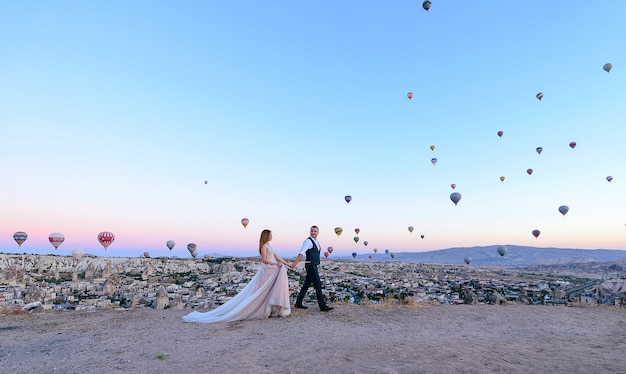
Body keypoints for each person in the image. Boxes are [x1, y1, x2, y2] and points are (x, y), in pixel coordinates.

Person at [182, 229, 292, 323]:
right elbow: (264, 260)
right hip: (268, 269)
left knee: (270, 288)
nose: (272, 236)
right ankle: (266, 309)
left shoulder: (269, 245)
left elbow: (278, 256)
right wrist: (276, 264)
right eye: (271, 234)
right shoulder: (264, 246)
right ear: (267, 235)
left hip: (272, 269)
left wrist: (287, 264)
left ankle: (272, 308)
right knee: (262, 291)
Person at [292, 225, 333, 311]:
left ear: (318, 232)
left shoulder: (316, 242)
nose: (313, 232)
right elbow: (302, 252)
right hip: (310, 265)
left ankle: (298, 302)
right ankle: (322, 306)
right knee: (317, 284)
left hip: (313, 265)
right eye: (312, 231)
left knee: (306, 284)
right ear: (310, 231)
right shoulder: (308, 241)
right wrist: (295, 262)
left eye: (315, 231)